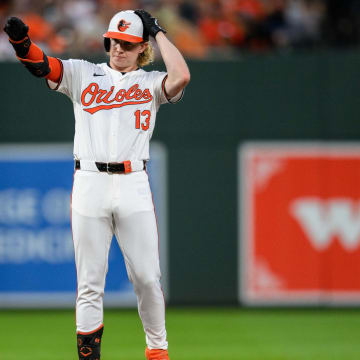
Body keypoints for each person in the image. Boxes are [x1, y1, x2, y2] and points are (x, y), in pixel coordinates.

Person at [4, 9, 190, 360]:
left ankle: (157, 351)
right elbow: (42, 64)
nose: (117, 48)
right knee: (90, 283)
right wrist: (21, 43)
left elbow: (182, 75)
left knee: (148, 279)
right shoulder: (83, 73)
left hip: (134, 181)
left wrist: (159, 32)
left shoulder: (150, 83)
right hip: (89, 181)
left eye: (127, 43)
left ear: (142, 48)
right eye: (113, 41)